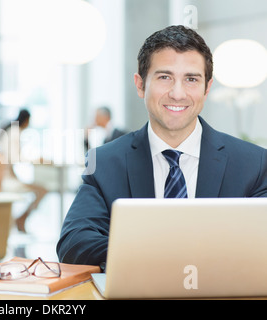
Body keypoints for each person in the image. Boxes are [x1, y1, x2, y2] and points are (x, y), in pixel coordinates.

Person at [57, 25, 267, 267]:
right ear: (140, 84)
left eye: (191, 79)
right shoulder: (104, 162)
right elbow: (74, 242)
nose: (177, 94)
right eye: (165, 77)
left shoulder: (254, 164)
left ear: (206, 88)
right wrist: (162, 255)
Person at [0, 109, 48, 233]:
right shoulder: (15, 132)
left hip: (8, 176)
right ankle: (22, 218)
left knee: (41, 190)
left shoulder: (12, 131)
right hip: (6, 180)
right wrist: (36, 159)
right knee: (42, 190)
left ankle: (22, 218)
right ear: (26, 120)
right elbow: (15, 157)